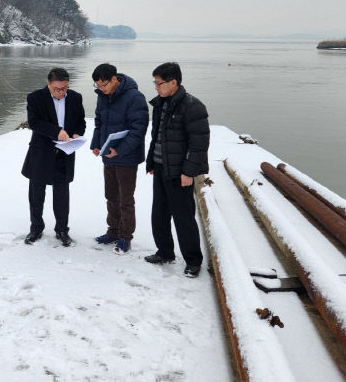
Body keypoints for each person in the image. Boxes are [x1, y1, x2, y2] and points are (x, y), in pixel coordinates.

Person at [144, 62, 209, 277]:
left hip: (180, 172)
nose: (156, 87)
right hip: (161, 167)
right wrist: (152, 162)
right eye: (155, 82)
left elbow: (198, 144)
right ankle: (164, 252)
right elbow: (158, 136)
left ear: (174, 82)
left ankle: (193, 260)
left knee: (184, 217)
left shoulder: (192, 106)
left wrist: (188, 172)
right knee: (159, 214)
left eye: (159, 83)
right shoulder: (160, 104)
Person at [21, 68, 86, 247]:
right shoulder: (35, 98)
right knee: (36, 194)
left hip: (64, 153)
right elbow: (34, 123)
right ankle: (36, 228)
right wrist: (57, 131)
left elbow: (81, 121)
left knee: (62, 194)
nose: (62, 92)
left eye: (65, 88)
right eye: (58, 89)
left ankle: (62, 230)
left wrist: (75, 133)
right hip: (41, 152)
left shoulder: (75, 97)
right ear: (49, 84)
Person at [90, 63, 148, 254]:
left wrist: (120, 150)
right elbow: (99, 122)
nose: (101, 89)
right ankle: (113, 230)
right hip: (108, 155)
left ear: (114, 79)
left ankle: (125, 237)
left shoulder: (135, 97)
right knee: (111, 196)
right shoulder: (102, 96)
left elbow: (138, 130)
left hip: (127, 158)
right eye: (97, 86)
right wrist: (96, 144)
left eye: (103, 85)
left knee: (125, 199)